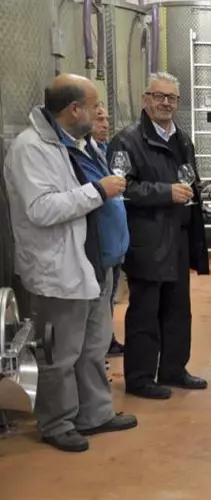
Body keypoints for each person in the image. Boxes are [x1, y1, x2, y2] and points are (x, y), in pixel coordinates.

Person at [3, 73, 137, 452]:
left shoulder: (79, 143)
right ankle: (57, 423)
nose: (99, 113)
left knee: (93, 348)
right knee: (60, 354)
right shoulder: (31, 148)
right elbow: (41, 209)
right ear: (74, 108)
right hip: (59, 268)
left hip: (96, 264)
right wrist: (98, 189)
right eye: (94, 105)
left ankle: (95, 414)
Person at [107, 72, 209, 400]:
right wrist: (166, 192)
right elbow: (120, 189)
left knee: (179, 308)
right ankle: (139, 378)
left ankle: (174, 370)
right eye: (159, 96)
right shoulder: (127, 140)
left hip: (177, 236)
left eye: (172, 98)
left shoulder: (183, 140)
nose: (166, 103)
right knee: (145, 311)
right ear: (145, 99)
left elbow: (190, 182)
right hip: (147, 239)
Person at [92, 103, 126, 357]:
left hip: (115, 245)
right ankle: (102, 344)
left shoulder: (107, 151)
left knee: (110, 297)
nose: (105, 124)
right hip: (100, 245)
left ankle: (108, 339)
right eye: (98, 119)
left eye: (106, 119)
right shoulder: (84, 156)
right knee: (100, 300)